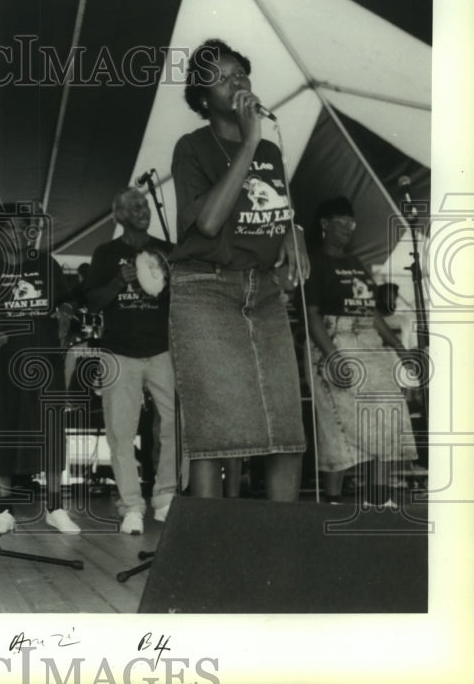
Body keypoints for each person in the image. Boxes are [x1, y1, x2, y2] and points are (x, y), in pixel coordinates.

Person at [169, 38, 309, 501]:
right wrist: (249, 141)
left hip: (262, 292)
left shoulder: (269, 151)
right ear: (203, 99)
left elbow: (271, 209)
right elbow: (208, 222)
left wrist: (295, 231)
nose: (237, 82)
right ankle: (209, 555)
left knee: (285, 426)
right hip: (205, 293)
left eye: (240, 73)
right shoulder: (191, 148)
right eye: (222, 78)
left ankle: (282, 551)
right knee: (214, 436)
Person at [0, 202, 81, 534]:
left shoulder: (46, 264)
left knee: (52, 432)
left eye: (23, 227)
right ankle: (3, 508)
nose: (18, 233)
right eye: (10, 228)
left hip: (43, 361)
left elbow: (66, 301)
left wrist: (66, 313)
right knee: (0, 432)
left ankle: (55, 506)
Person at [85, 186, 187, 533]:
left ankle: (166, 496)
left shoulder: (167, 251)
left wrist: (172, 283)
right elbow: (93, 302)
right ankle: (131, 505)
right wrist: (118, 281)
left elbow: (185, 302)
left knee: (177, 425)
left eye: (144, 204)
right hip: (118, 352)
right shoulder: (105, 252)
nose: (142, 209)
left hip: (162, 349)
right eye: (134, 206)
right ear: (119, 215)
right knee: (120, 433)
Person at [304, 197, 417, 506]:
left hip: (369, 342)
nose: (348, 231)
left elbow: (371, 313)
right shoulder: (314, 262)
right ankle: (333, 499)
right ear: (325, 225)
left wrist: (399, 348)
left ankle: (378, 498)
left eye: (351, 226)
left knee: (388, 411)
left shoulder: (355, 263)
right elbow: (312, 316)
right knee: (339, 420)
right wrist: (333, 357)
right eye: (342, 225)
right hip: (334, 339)